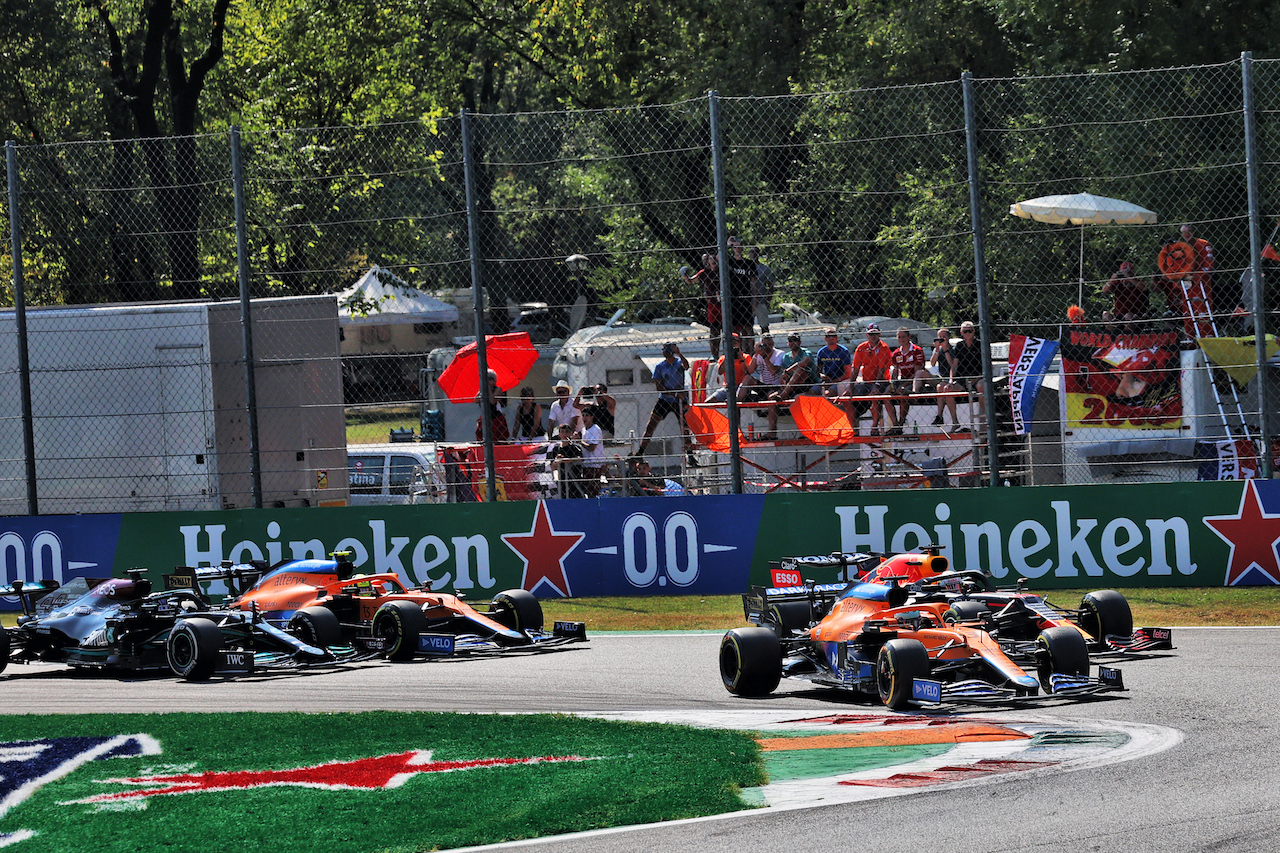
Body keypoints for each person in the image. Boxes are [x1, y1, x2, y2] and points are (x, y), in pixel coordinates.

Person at [636, 342, 695, 464]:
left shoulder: (678, 363)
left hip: (679, 400)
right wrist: (674, 394)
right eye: (663, 350)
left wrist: (679, 353)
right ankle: (640, 453)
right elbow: (659, 387)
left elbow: (686, 366)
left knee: (684, 428)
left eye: (666, 350)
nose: (664, 352)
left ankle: (690, 455)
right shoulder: (660, 367)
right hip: (665, 399)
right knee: (651, 425)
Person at [844, 323, 897, 436]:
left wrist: (876, 386)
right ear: (867, 335)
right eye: (871, 334)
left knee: (874, 394)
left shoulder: (884, 348)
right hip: (866, 382)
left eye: (875, 334)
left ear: (879, 334)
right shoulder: (861, 348)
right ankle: (853, 429)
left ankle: (874, 427)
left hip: (881, 381)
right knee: (846, 397)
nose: (873, 336)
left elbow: (882, 370)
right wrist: (850, 387)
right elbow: (855, 369)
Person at [941, 320, 984, 425]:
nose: (968, 333)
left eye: (970, 331)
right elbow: (954, 365)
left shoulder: (981, 344)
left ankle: (986, 420)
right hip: (963, 379)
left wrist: (976, 378)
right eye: (965, 331)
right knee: (947, 389)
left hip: (978, 377)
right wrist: (951, 381)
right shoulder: (960, 346)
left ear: (974, 331)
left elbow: (987, 366)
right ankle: (955, 422)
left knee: (981, 386)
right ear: (961, 333)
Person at [889, 327, 928, 430]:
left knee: (904, 393)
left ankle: (901, 423)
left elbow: (917, 373)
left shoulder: (917, 350)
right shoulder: (896, 353)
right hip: (902, 379)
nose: (902, 339)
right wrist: (892, 384)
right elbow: (895, 371)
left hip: (915, 381)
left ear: (909, 337)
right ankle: (895, 424)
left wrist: (903, 385)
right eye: (899, 337)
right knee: (885, 394)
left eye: (904, 337)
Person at [688, 254, 722, 358]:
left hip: (724, 305)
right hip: (712, 304)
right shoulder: (705, 272)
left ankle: (729, 354)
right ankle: (714, 355)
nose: (713, 262)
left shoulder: (723, 270)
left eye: (714, 259)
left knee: (728, 330)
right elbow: (691, 280)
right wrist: (685, 276)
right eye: (710, 259)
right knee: (714, 331)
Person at [725, 236, 757, 344]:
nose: (737, 249)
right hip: (733, 298)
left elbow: (753, 282)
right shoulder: (729, 262)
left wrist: (755, 299)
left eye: (739, 247)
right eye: (735, 247)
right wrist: (727, 244)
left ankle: (751, 352)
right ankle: (739, 352)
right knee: (736, 328)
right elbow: (718, 257)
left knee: (748, 327)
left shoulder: (749, 264)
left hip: (746, 297)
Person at [774, 333, 818, 401]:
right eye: (790, 340)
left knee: (800, 370)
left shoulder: (806, 352)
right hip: (792, 386)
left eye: (795, 340)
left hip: (808, 383)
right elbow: (784, 375)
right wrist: (784, 379)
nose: (793, 342)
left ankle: (783, 395)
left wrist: (787, 371)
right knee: (772, 397)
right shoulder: (786, 357)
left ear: (800, 342)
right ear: (788, 343)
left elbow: (803, 363)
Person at [545, 422, 585, 498]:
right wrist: (557, 460)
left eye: (566, 432)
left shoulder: (574, 447)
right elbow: (552, 466)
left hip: (574, 478)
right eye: (562, 432)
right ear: (559, 434)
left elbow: (580, 458)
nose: (564, 434)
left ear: (570, 433)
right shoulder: (556, 448)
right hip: (562, 480)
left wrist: (566, 460)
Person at [709, 335, 752, 403]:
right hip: (727, 388)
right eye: (730, 343)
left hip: (741, 388)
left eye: (734, 343)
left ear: (739, 344)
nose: (732, 345)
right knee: (709, 401)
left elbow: (748, 373)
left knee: (734, 402)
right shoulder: (723, 358)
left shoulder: (746, 357)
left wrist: (741, 358)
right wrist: (727, 356)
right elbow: (720, 372)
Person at [1181, 223, 1215, 310]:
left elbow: (1209, 263)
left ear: (1194, 232)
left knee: (1203, 308)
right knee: (1188, 309)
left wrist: (1197, 275)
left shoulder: (1203, 244)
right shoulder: (1180, 246)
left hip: (1202, 281)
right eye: (1184, 232)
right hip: (1186, 281)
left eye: (1189, 232)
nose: (1187, 234)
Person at [930, 328, 959, 426]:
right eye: (939, 337)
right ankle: (939, 415)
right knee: (939, 387)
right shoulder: (938, 349)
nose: (942, 339)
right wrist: (937, 350)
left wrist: (946, 350)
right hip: (943, 377)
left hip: (952, 377)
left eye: (944, 337)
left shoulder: (953, 349)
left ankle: (945, 417)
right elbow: (932, 363)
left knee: (943, 387)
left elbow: (952, 365)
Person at [814, 328, 853, 400]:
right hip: (827, 380)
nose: (831, 338)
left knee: (827, 393)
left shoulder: (844, 351)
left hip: (841, 380)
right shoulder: (822, 352)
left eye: (833, 335)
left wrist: (832, 382)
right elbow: (818, 371)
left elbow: (848, 374)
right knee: (812, 392)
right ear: (825, 338)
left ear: (837, 337)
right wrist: (822, 376)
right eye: (828, 336)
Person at [475, 370, 510, 442]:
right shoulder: (482, 390)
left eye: (490, 379)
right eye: (486, 379)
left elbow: (492, 401)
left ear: (494, 381)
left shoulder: (498, 389)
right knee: (481, 436)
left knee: (497, 438)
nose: (488, 381)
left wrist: (488, 389)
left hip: (496, 418)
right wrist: (481, 390)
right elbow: (475, 401)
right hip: (485, 417)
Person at [578, 406, 605, 498]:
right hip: (586, 464)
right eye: (583, 415)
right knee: (587, 490)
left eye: (587, 416)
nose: (584, 418)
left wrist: (579, 441)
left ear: (592, 417)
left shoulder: (595, 429)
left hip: (594, 464)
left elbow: (592, 447)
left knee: (594, 490)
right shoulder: (583, 430)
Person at [749, 247, 774, 334]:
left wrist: (768, 301)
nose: (753, 254)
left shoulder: (765, 269)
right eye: (751, 252)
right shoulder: (745, 268)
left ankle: (766, 343)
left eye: (755, 252)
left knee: (764, 326)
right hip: (747, 302)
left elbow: (771, 286)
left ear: (758, 254)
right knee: (747, 327)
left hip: (761, 301)